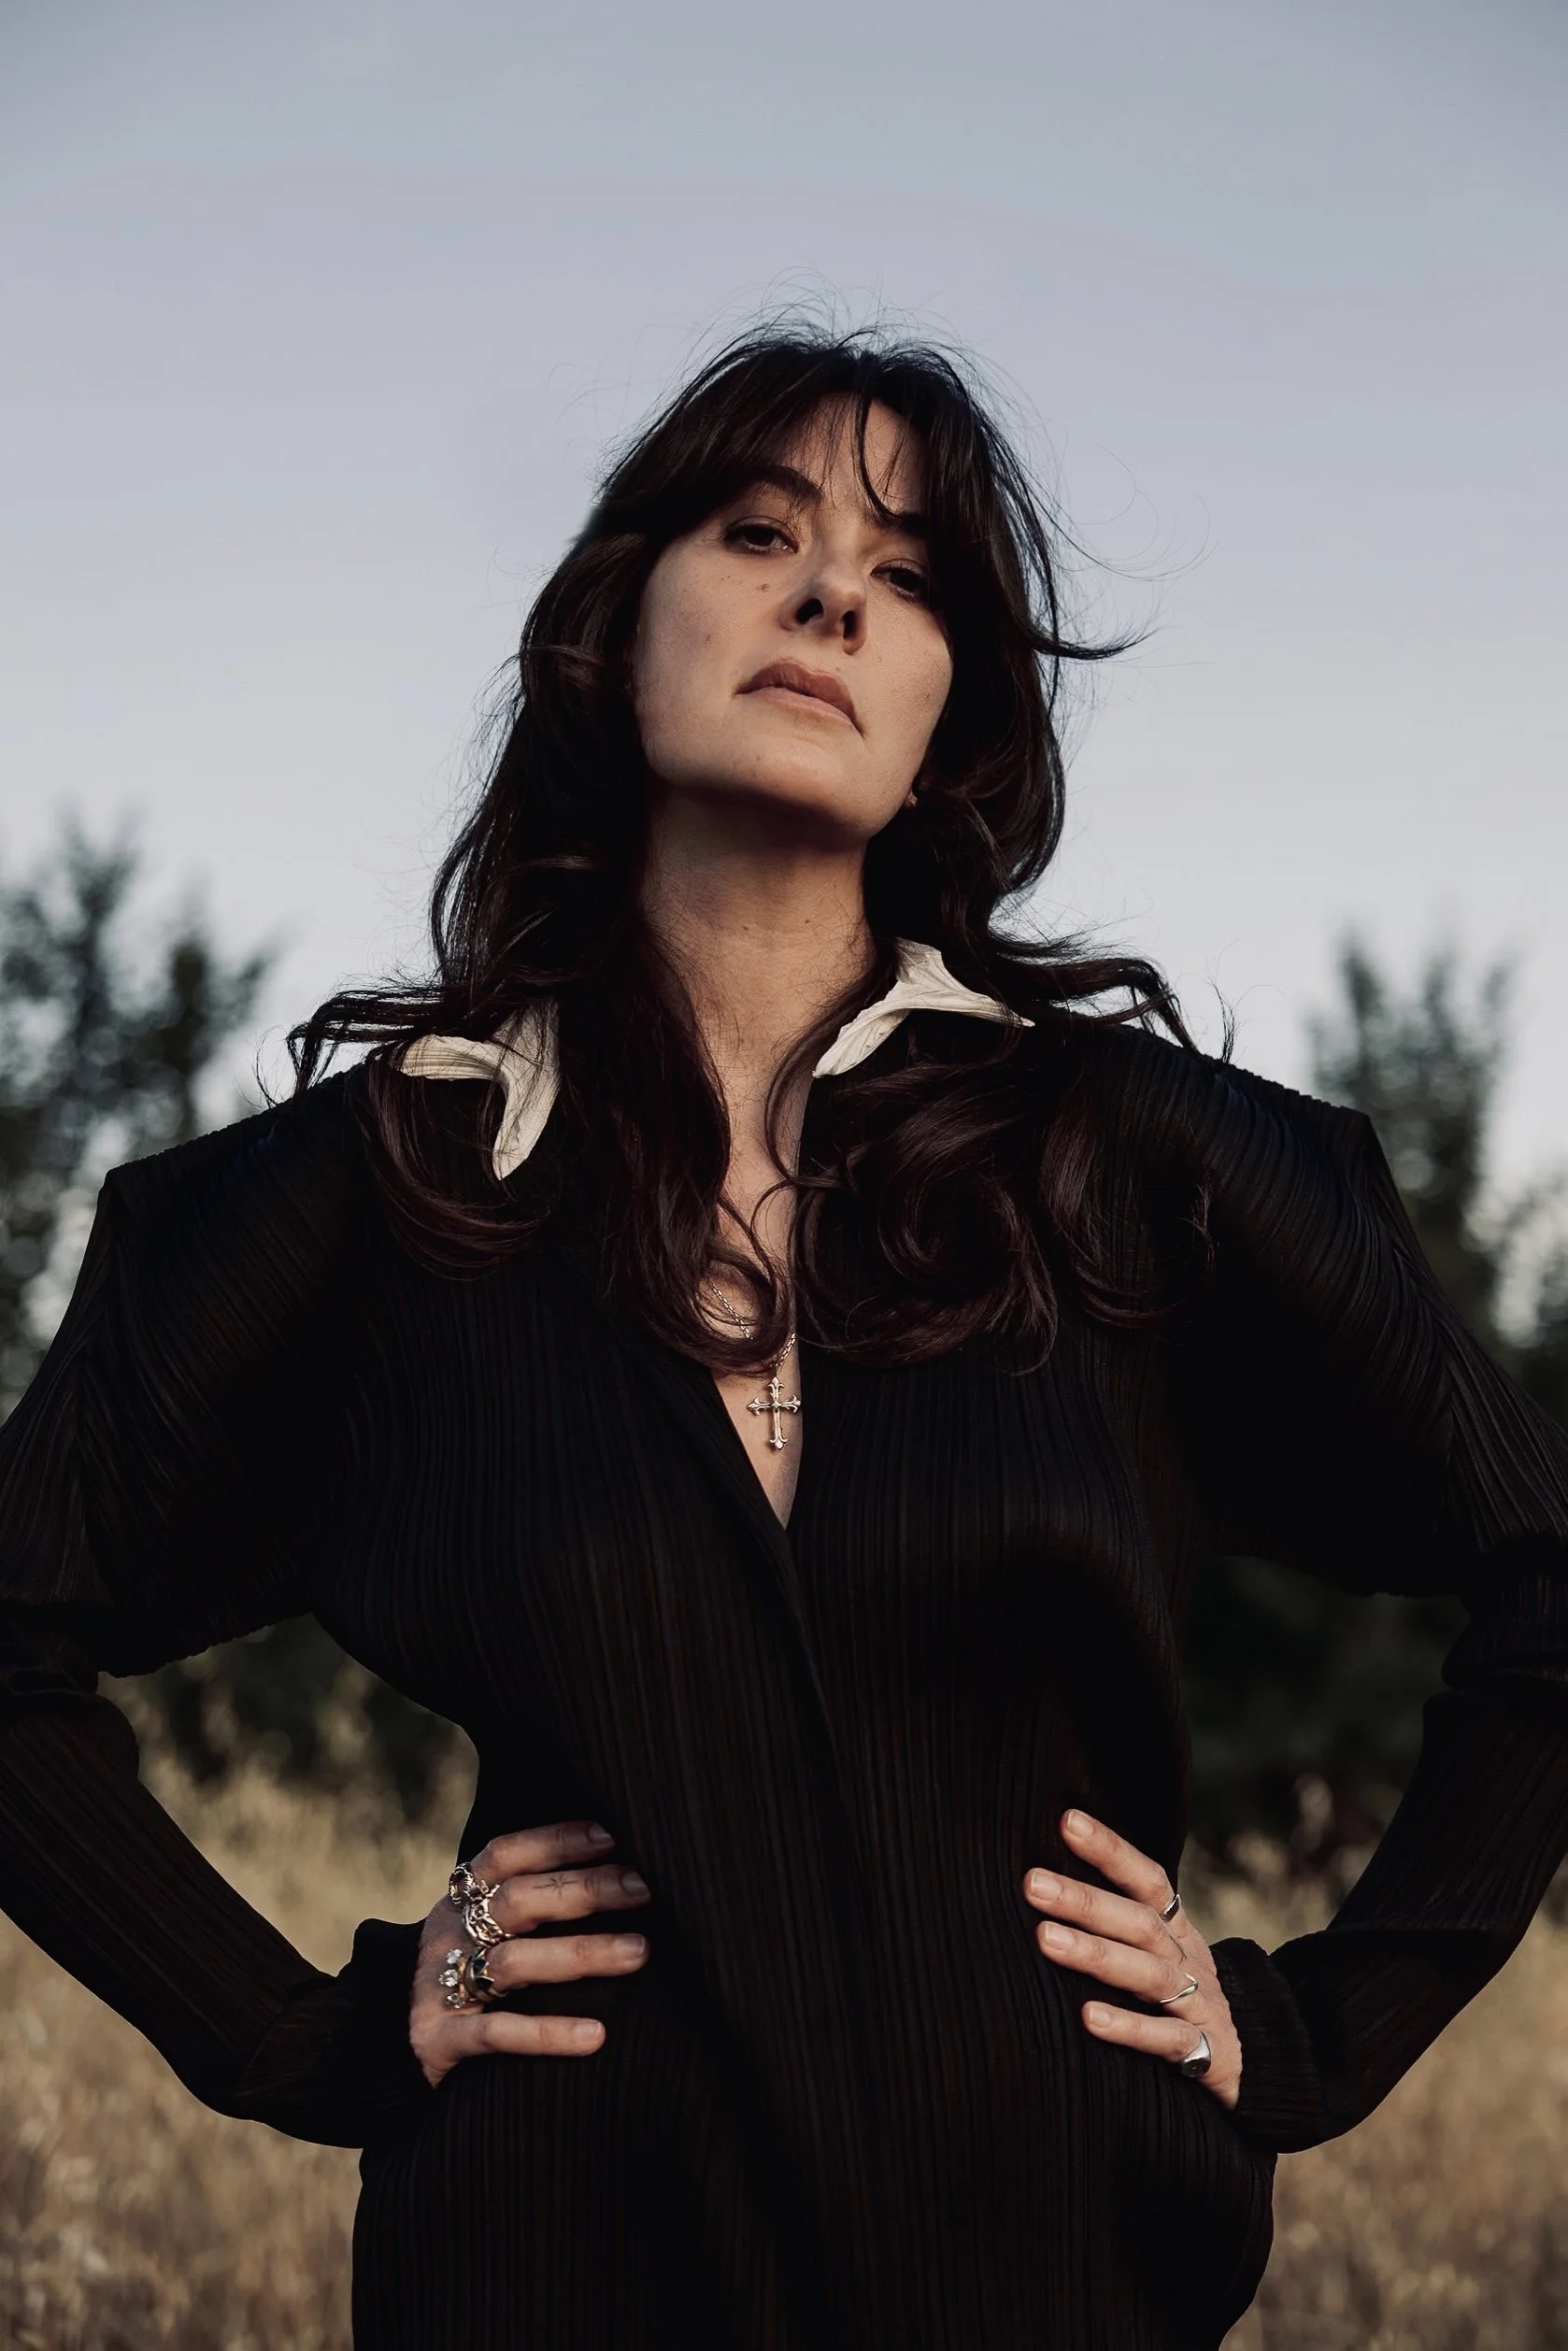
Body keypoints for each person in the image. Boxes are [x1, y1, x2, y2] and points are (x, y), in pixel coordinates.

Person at [2, 325, 1566, 2351]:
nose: (830, 591)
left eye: (907, 575)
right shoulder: (351, 1204)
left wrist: (1318, 2023)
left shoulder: (1154, 1166)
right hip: (547, 2274)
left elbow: (1539, 1568)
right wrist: (308, 2032)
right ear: (614, 623)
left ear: (947, 716)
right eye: (760, 532)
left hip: (1057, 2277)